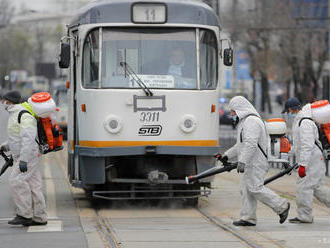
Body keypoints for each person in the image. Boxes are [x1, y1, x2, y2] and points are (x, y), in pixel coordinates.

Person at [217, 96, 290, 226]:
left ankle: (282, 206)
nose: (231, 115)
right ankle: (248, 217)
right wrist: (226, 155)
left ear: (240, 109)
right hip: (250, 162)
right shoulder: (244, 122)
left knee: (255, 188)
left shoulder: (251, 121)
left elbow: (251, 144)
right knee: (245, 189)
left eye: (233, 111)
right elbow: (240, 145)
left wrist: (242, 161)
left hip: (256, 162)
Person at [0, 90, 47, 226]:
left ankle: (24, 214)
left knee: (16, 181)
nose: (3, 102)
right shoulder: (15, 114)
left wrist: (23, 160)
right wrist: (4, 147)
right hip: (26, 154)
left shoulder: (23, 115)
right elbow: (16, 138)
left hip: (29, 155)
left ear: (10, 101)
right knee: (34, 185)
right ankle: (40, 217)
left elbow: (28, 139)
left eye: (5, 100)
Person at [282, 97, 330, 223]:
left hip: (312, 160)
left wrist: (302, 165)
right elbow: (299, 145)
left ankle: (304, 216)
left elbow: (307, 145)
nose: (288, 114)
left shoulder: (304, 122)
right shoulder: (302, 121)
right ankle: (304, 215)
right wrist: (288, 153)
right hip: (313, 158)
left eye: (288, 112)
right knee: (317, 188)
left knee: (304, 187)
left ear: (292, 109)